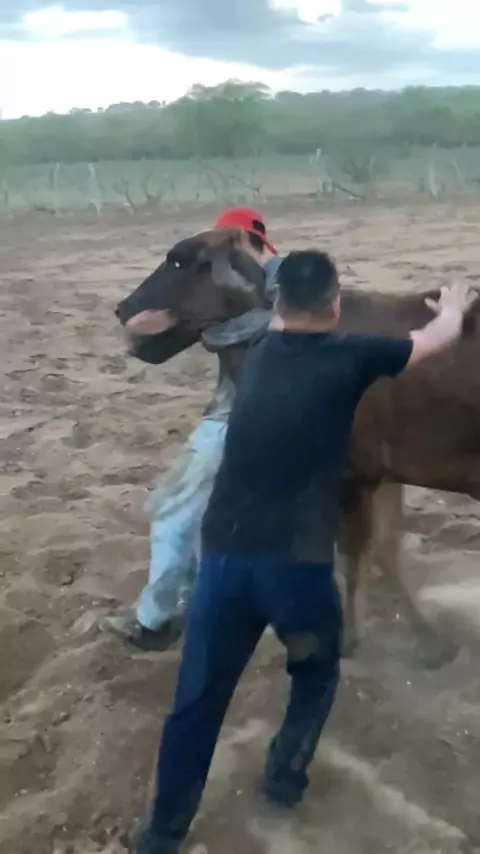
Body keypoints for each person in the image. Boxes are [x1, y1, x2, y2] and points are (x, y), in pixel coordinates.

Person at [130, 252, 475, 854]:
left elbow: (220, 324)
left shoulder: (257, 356)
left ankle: (161, 833)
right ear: (336, 305)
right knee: (315, 675)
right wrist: (452, 308)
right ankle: (282, 788)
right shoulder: (352, 358)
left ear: (277, 307)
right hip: (295, 567)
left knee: (197, 701)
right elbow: (431, 341)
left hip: (224, 561)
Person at [100, 208, 283, 651]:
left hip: (235, 421)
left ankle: (155, 620)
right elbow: (150, 345)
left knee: (175, 512)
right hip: (260, 420)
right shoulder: (242, 285)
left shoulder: (276, 281)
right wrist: (144, 330)